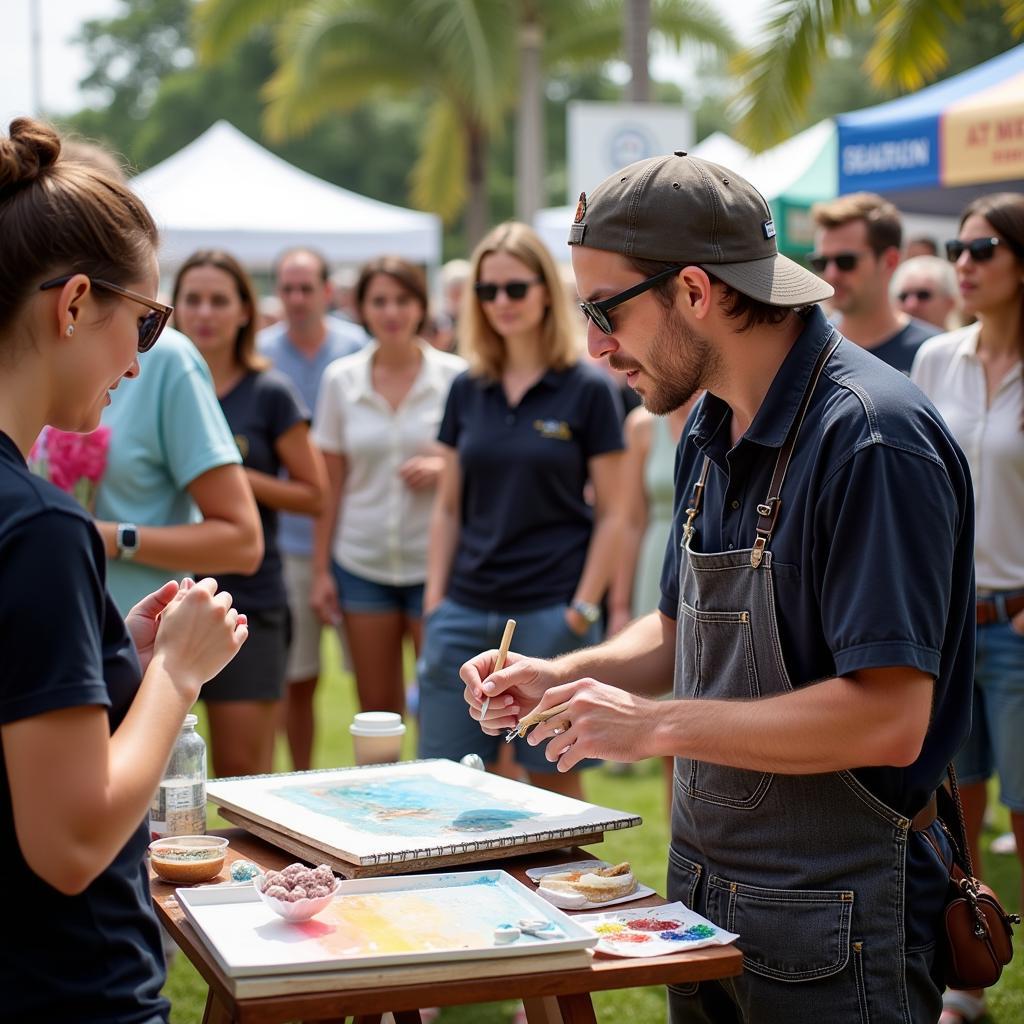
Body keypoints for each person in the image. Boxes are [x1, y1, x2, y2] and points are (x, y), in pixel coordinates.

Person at [465, 155, 975, 1022]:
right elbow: (676, 631)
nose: (593, 344)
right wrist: (562, 675)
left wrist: (654, 725)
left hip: (840, 917)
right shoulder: (706, 422)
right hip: (705, 895)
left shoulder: (871, 439)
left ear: (695, 291)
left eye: (604, 309)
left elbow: (889, 719)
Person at [0, 116, 247, 1024]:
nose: (140, 363)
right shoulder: (39, 525)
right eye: (145, 322)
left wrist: (115, 657)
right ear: (71, 306)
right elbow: (70, 841)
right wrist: (177, 672)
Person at [421, 221, 626, 800]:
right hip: (462, 610)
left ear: (545, 291)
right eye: (487, 292)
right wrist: (436, 603)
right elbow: (448, 508)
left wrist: (580, 611)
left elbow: (615, 512)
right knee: (448, 789)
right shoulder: (468, 388)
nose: (501, 303)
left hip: (549, 612)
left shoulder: (587, 389)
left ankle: (564, 897)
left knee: (555, 794)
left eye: (515, 288)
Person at [910, 192, 1024, 1024]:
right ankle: (968, 987)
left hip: (1020, 622)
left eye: (982, 247)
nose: (964, 260)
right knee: (957, 811)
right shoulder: (935, 360)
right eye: (957, 245)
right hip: (950, 620)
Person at [173, 250, 325, 777]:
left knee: (242, 777)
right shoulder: (156, 383)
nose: (204, 312)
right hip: (165, 600)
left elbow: (314, 493)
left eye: (219, 299)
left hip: (248, 602)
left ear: (245, 312)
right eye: (192, 299)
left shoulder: (269, 392)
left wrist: (225, 474)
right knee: (165, 778)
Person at [311, 257, 464, 717]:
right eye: (379, 301)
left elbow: (481, 466)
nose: (391, 311)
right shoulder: (340, 379)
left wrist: (443, 469)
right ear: (361, 309)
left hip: (435, 565)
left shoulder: (456, 377)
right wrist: (321, 570)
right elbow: (329, 485)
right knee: (377, 711)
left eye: (402, 299)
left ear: (421, 306)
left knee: (443, 705)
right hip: (362, 562)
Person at [258, 247, 365, 770]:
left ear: (328, 291)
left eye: (306, 288)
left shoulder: (355, 349)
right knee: (296, 679)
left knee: (371, 682)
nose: (297, 299)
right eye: (288, 288)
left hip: (355, 541)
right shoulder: (261, 352)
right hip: (288, 543)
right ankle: (300, 776)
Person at [810, 193, 940, 372]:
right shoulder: (808, 347)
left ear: (890, 261)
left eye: (846, 261)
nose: (831, 274)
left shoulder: (934, 353)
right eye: (821, 262)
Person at [892, 254, 960, 330]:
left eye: (923, 295)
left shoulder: (969, 340)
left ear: (950, 303)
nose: (911, 305)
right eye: (903, 296)